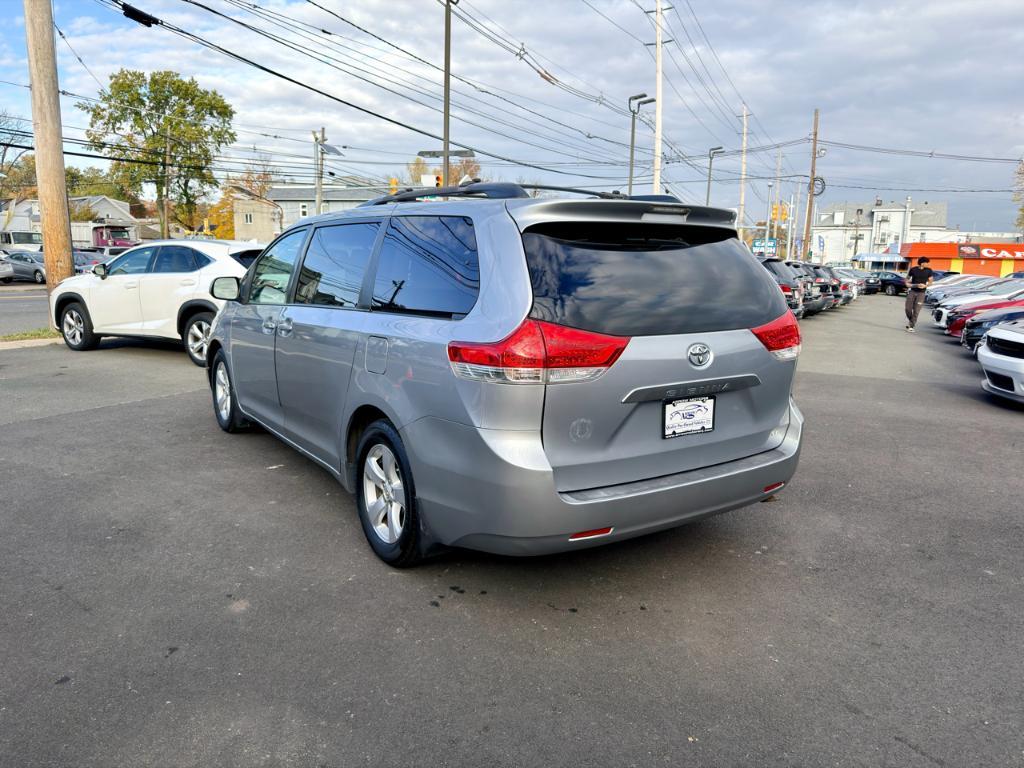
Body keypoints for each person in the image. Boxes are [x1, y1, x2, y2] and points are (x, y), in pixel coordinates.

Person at [904, 257, 934, 332]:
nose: (928, 264)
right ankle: (911, 320)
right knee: (908, 309)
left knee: (916, 310)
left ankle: (911, 326)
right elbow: (907, 279)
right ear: (922, 263)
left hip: (921, 293)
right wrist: (907, 284)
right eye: (927, 262)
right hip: (912, 291)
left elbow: (931, 282)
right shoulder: (913, 269)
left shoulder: (929, 271)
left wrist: (925, 286)